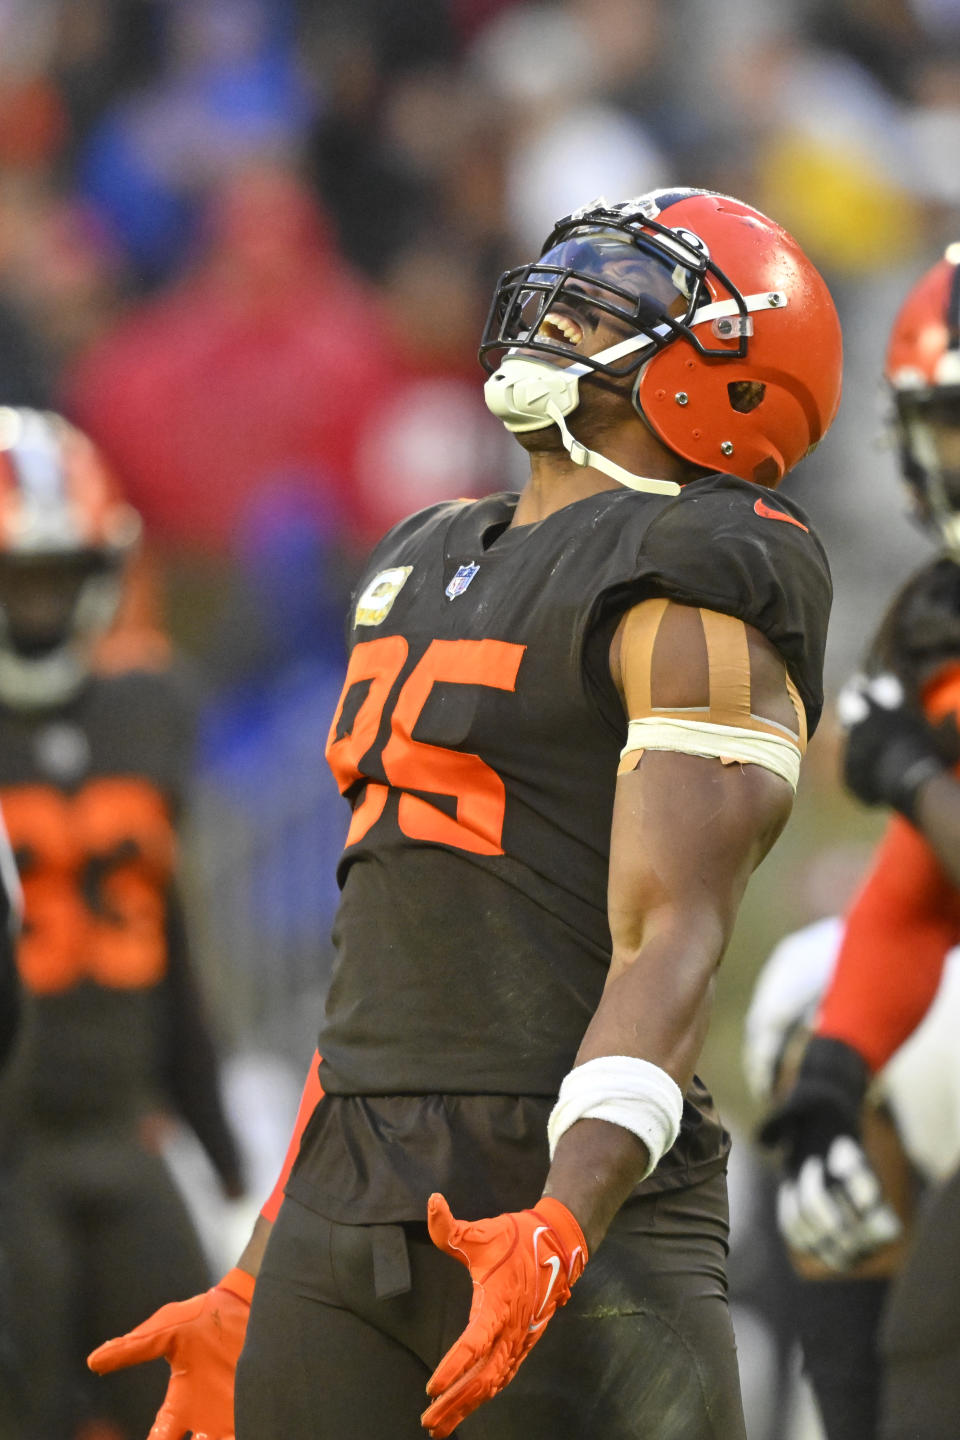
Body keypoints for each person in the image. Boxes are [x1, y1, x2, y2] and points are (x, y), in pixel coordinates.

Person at [88, 187, 842, 1440]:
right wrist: (261, 1261)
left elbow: (672, 935)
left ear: (733, 376)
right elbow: (382, 962)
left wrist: (562, 1224)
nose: (561, 304)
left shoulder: (695, 579)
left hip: (566, 1192)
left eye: (617, 295)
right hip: (348, 1205)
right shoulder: (423, 557)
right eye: (571, 275)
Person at [0, 407, 246, 1440]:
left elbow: (168, 937)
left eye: (56, 577)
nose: (38, 607)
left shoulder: (149, 711)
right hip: (5, 1150)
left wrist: (221, 1145)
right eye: (15, 582)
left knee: (202, 1402)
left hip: (119, 1124)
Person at [758, 246, 960, 1440]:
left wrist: (916, 774)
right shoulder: (936, 614)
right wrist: (837, 1066)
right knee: (920, 1356)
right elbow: (922, 888)